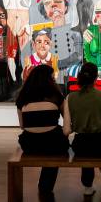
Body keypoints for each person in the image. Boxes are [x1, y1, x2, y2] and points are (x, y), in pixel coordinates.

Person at [63, 62, 101, 195]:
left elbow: (66, 131)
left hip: (82, 145)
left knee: (86, 147)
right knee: (98, 141)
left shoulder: (70, 97)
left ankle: (88, 186)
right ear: (96, 77)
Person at [16, 64, 70, 193]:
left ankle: (44, 185)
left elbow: (23, 126)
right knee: (56, 146)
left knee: (51, 143)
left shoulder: (22, 97)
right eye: (53, 78)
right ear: (49, 80)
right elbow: (67, 125)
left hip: (29, 144)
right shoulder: (56, 96)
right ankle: (45, 186)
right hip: (53, 144)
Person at [37, 0, 82, 85]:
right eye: (48, 2)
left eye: (58, 1)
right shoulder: (41, 36)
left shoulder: (75, 34)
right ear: (44, 10)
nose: (54, 6)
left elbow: (78, 57)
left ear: (65, 6)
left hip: (71, 81)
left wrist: (55, 64)